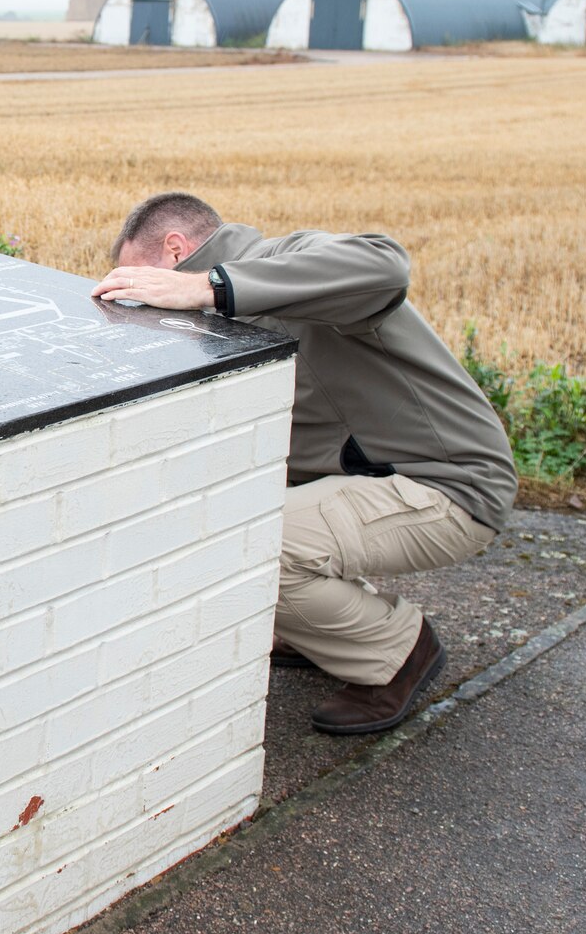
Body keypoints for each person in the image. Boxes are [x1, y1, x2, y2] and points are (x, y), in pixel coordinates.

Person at [92, 192, 516, 735]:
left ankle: (396, 652)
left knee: (256, 544)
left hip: (450, 488)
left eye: (139, 279)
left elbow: (385, 264)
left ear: (175, 252)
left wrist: (205, 286)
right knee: (222, 521)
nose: (141, 298)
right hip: (377, 482)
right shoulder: (213, 319)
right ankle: (320, 630)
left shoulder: (281, 260)